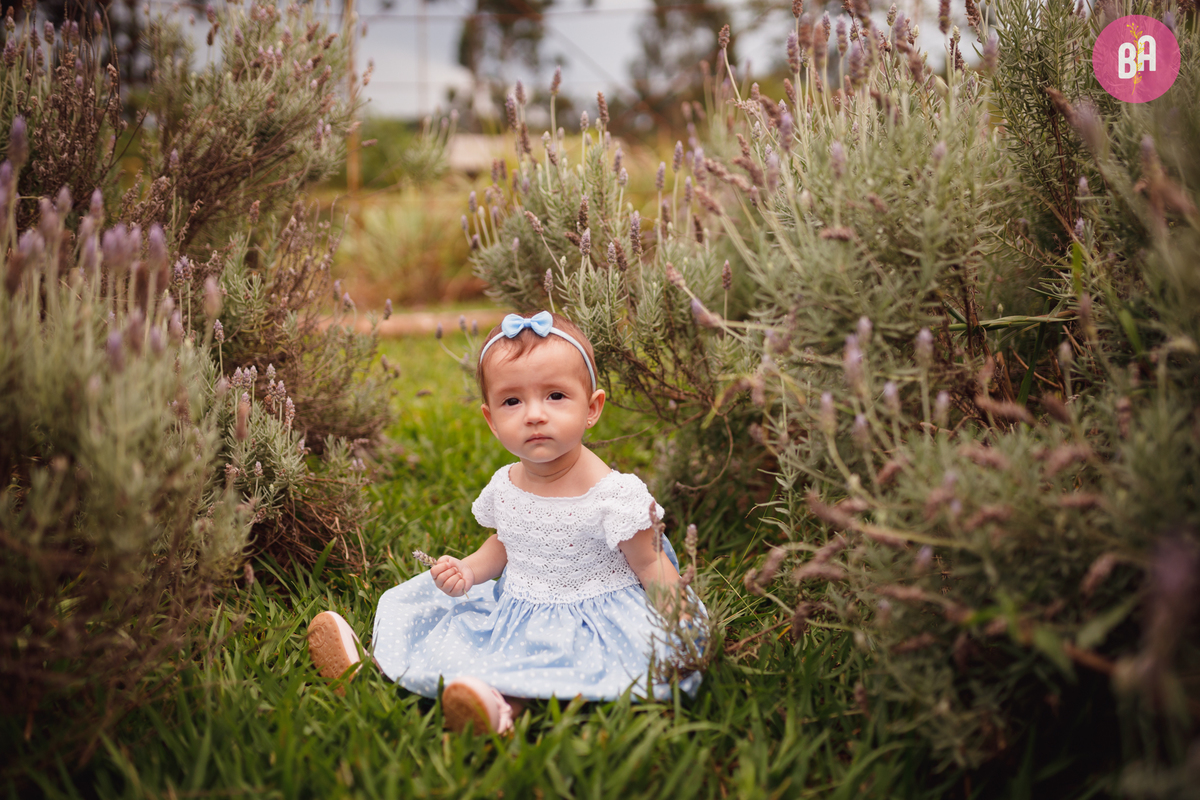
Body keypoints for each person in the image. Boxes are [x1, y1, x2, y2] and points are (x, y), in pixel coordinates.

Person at [306, 310, 703, 734]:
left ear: (592, 408)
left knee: (540, 667)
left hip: (591, 620)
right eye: (512, 401)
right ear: (492, 421)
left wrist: (677, 618)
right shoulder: (507, 483)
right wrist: (469, 569)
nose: (534, 414)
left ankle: (500, 712)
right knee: (449, 621)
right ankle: (372, 663)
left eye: (555, 396)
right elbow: (506, 542)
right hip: (519, 610)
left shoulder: (613, 495)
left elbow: (651, 562)